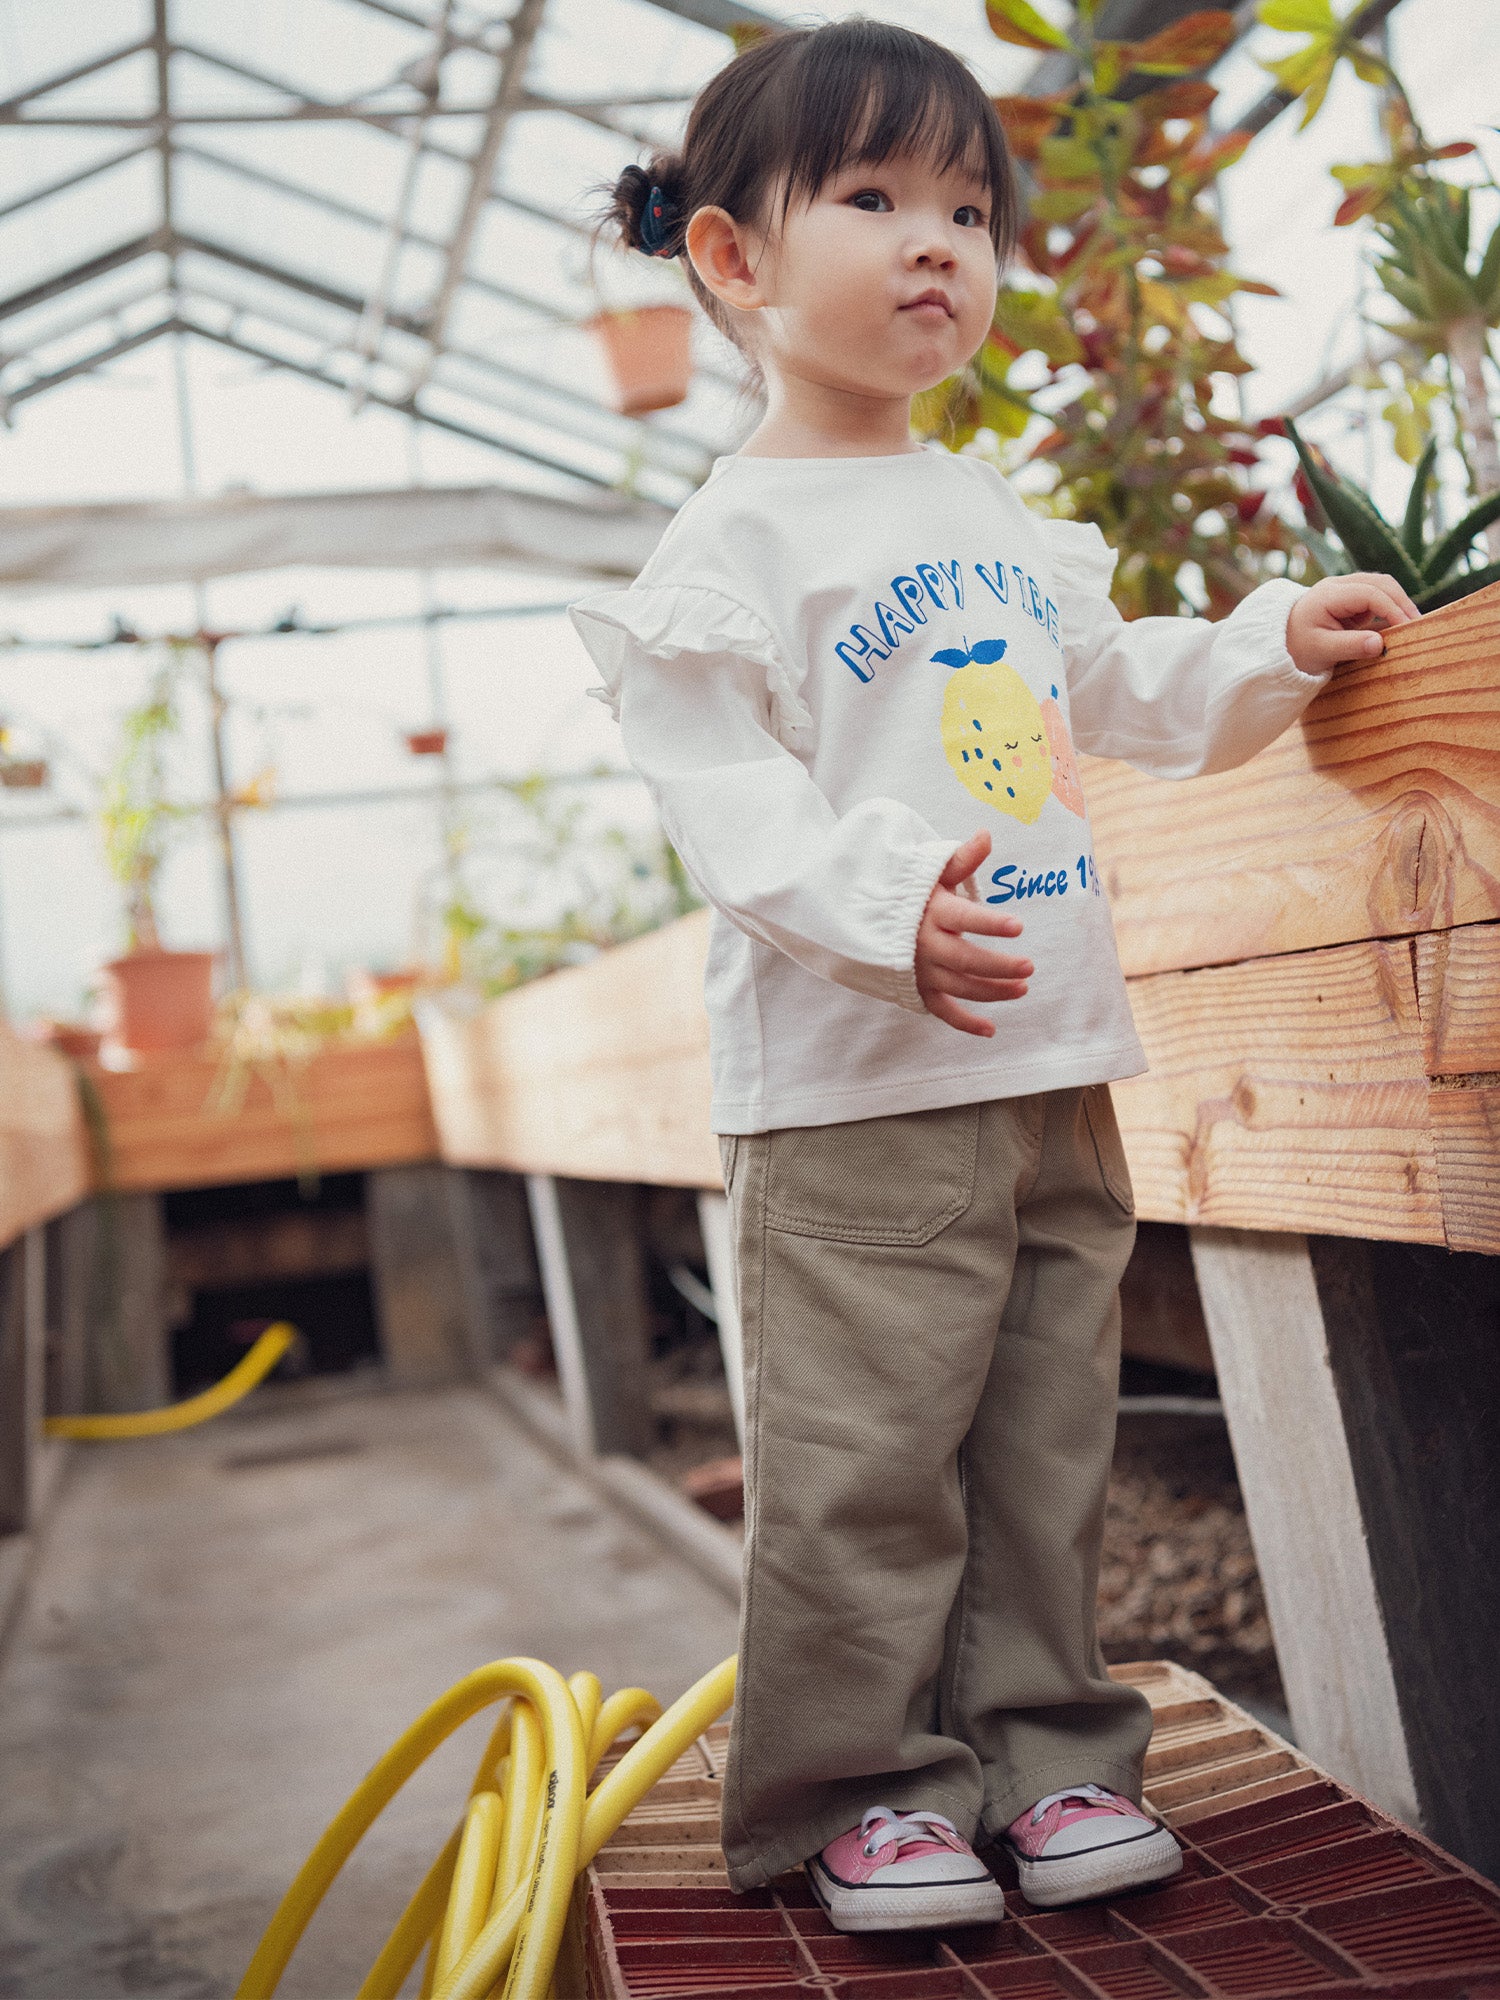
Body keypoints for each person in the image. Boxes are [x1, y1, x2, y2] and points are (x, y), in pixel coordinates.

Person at [571, 18, 1418, 1935]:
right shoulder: (733, 546)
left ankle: (1045, 1763)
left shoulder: (989, 521)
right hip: (856, 1095)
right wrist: (886, 912)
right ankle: (859, 1791)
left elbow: (1119, 692)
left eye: (967, 203)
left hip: (1049, 1066)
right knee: (865, 1466)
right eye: (872, 198)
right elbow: (728, 801)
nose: (936, 238)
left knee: (1045, 1445)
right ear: (733, 260)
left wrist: (1277, 634)